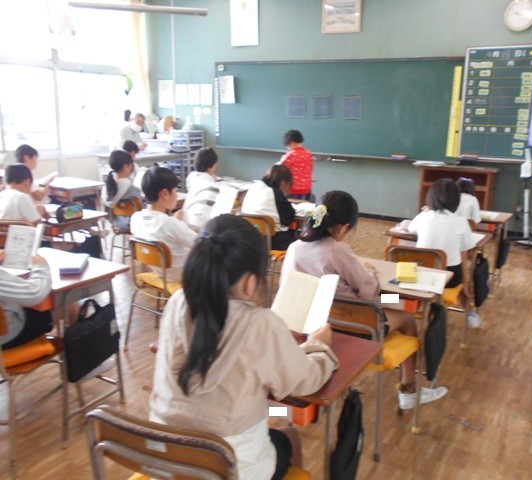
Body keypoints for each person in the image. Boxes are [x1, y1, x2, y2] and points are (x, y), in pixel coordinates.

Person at [150, 214, 337, 480]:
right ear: (250, 281)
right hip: (229, 468)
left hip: (163, 461)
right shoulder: (260, 324)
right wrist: (319, 345)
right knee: (290, 434)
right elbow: (307, 381)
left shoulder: (176, 302)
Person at [281, 190, 447, 409]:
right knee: (405, 315)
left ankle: (399, 302)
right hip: (354, 324)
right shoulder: (337, 249)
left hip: (309, 323)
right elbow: (367, 291)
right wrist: (370, 272)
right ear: (343, 227)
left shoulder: (294, 247)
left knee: (389, 299)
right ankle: (409, 388)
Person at [407, 178, 481, 326]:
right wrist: (466, 282)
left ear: (431, 198)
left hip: (420, 276)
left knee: (395, 295)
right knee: (458, 286)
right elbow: (464, 257)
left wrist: (426, 211)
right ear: (456, 201)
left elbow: (410, 228)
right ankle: (469, 314)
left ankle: (383, 302)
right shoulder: (462, 222)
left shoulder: (423, 217)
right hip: (449, 279)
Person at [130, 166, 197, 283]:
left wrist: (174, 220)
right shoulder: (170, 224)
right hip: (183, 275)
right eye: (176, 191)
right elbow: (200, 244)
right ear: (165, 194)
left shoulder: (135, 218)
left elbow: (156, 228)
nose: (177, 195)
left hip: (159, 271)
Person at [0, 252, 52, 349]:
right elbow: (35, 293)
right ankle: (76, 351)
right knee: (65, 305)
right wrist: (41, 266)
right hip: (6, 334)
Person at [241, 165, 297, 250]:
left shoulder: (254, 186)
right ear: (283, 183)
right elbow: (288, 219)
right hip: (273, 240)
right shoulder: (274, 193)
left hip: (251, 237)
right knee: (300, 237)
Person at [102, 150, 143, 230]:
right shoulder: (131, 188)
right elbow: (140, 208)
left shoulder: (107, 187)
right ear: (126, 166)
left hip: (114, 225)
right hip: (132, 226)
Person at [277, 130, 313, 200]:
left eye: (287, 145)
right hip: (306, 190)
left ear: (291, 142)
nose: (287, 148)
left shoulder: (291, 154)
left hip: (292, 190)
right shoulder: (309, 154)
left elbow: (278, 170)